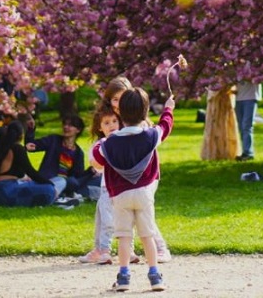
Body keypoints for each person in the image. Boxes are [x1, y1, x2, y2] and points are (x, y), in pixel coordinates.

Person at [91, 87, 175, 292]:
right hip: (144, 194)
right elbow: (165, 126)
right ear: (145, 112)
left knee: (124, 236)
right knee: (147, 235)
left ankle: (124, 276)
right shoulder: (150, 135)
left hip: (120, 196)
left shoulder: (109, 143)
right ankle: (155, 275)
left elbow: (96, 160)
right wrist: (168, 109)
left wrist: (101, 143)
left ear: (119, 113)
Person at [79, 104, 121, 265]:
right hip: (108, 187)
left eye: (114, 121)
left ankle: (105, 250)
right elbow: (95, 164)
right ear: (100, 127)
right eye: (106, 123)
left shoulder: (123, 142)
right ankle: (100, 249)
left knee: (109, 220)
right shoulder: (101, 144)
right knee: (102, 218)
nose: (111, 125)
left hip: (113, 189)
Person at [0, 120, 59, 207]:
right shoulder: (17, 149)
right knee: (48, 189)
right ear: (21, 135)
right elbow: (32, 173)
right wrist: (52, 185)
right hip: (7, 192)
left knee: (33, 184)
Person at [26, 114, 91, 199]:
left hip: (65, 183)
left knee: (73, 182)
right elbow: (31, 146)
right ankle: (56, 195)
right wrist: (31, 130)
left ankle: (58, 195)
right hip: (47, 180)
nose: (66, 127)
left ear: (78, 130)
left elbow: (77, 177)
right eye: (65, 124)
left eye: (70, 125)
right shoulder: (53, 140)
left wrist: (91, 171)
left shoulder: (78, 153)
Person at [234, 80, 262, 161]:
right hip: (238, 98)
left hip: (250, 97)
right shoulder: (234, 68)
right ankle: (245, 152)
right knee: (241, 127)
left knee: (246, 126)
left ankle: (248, 153)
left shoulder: (255, 67)